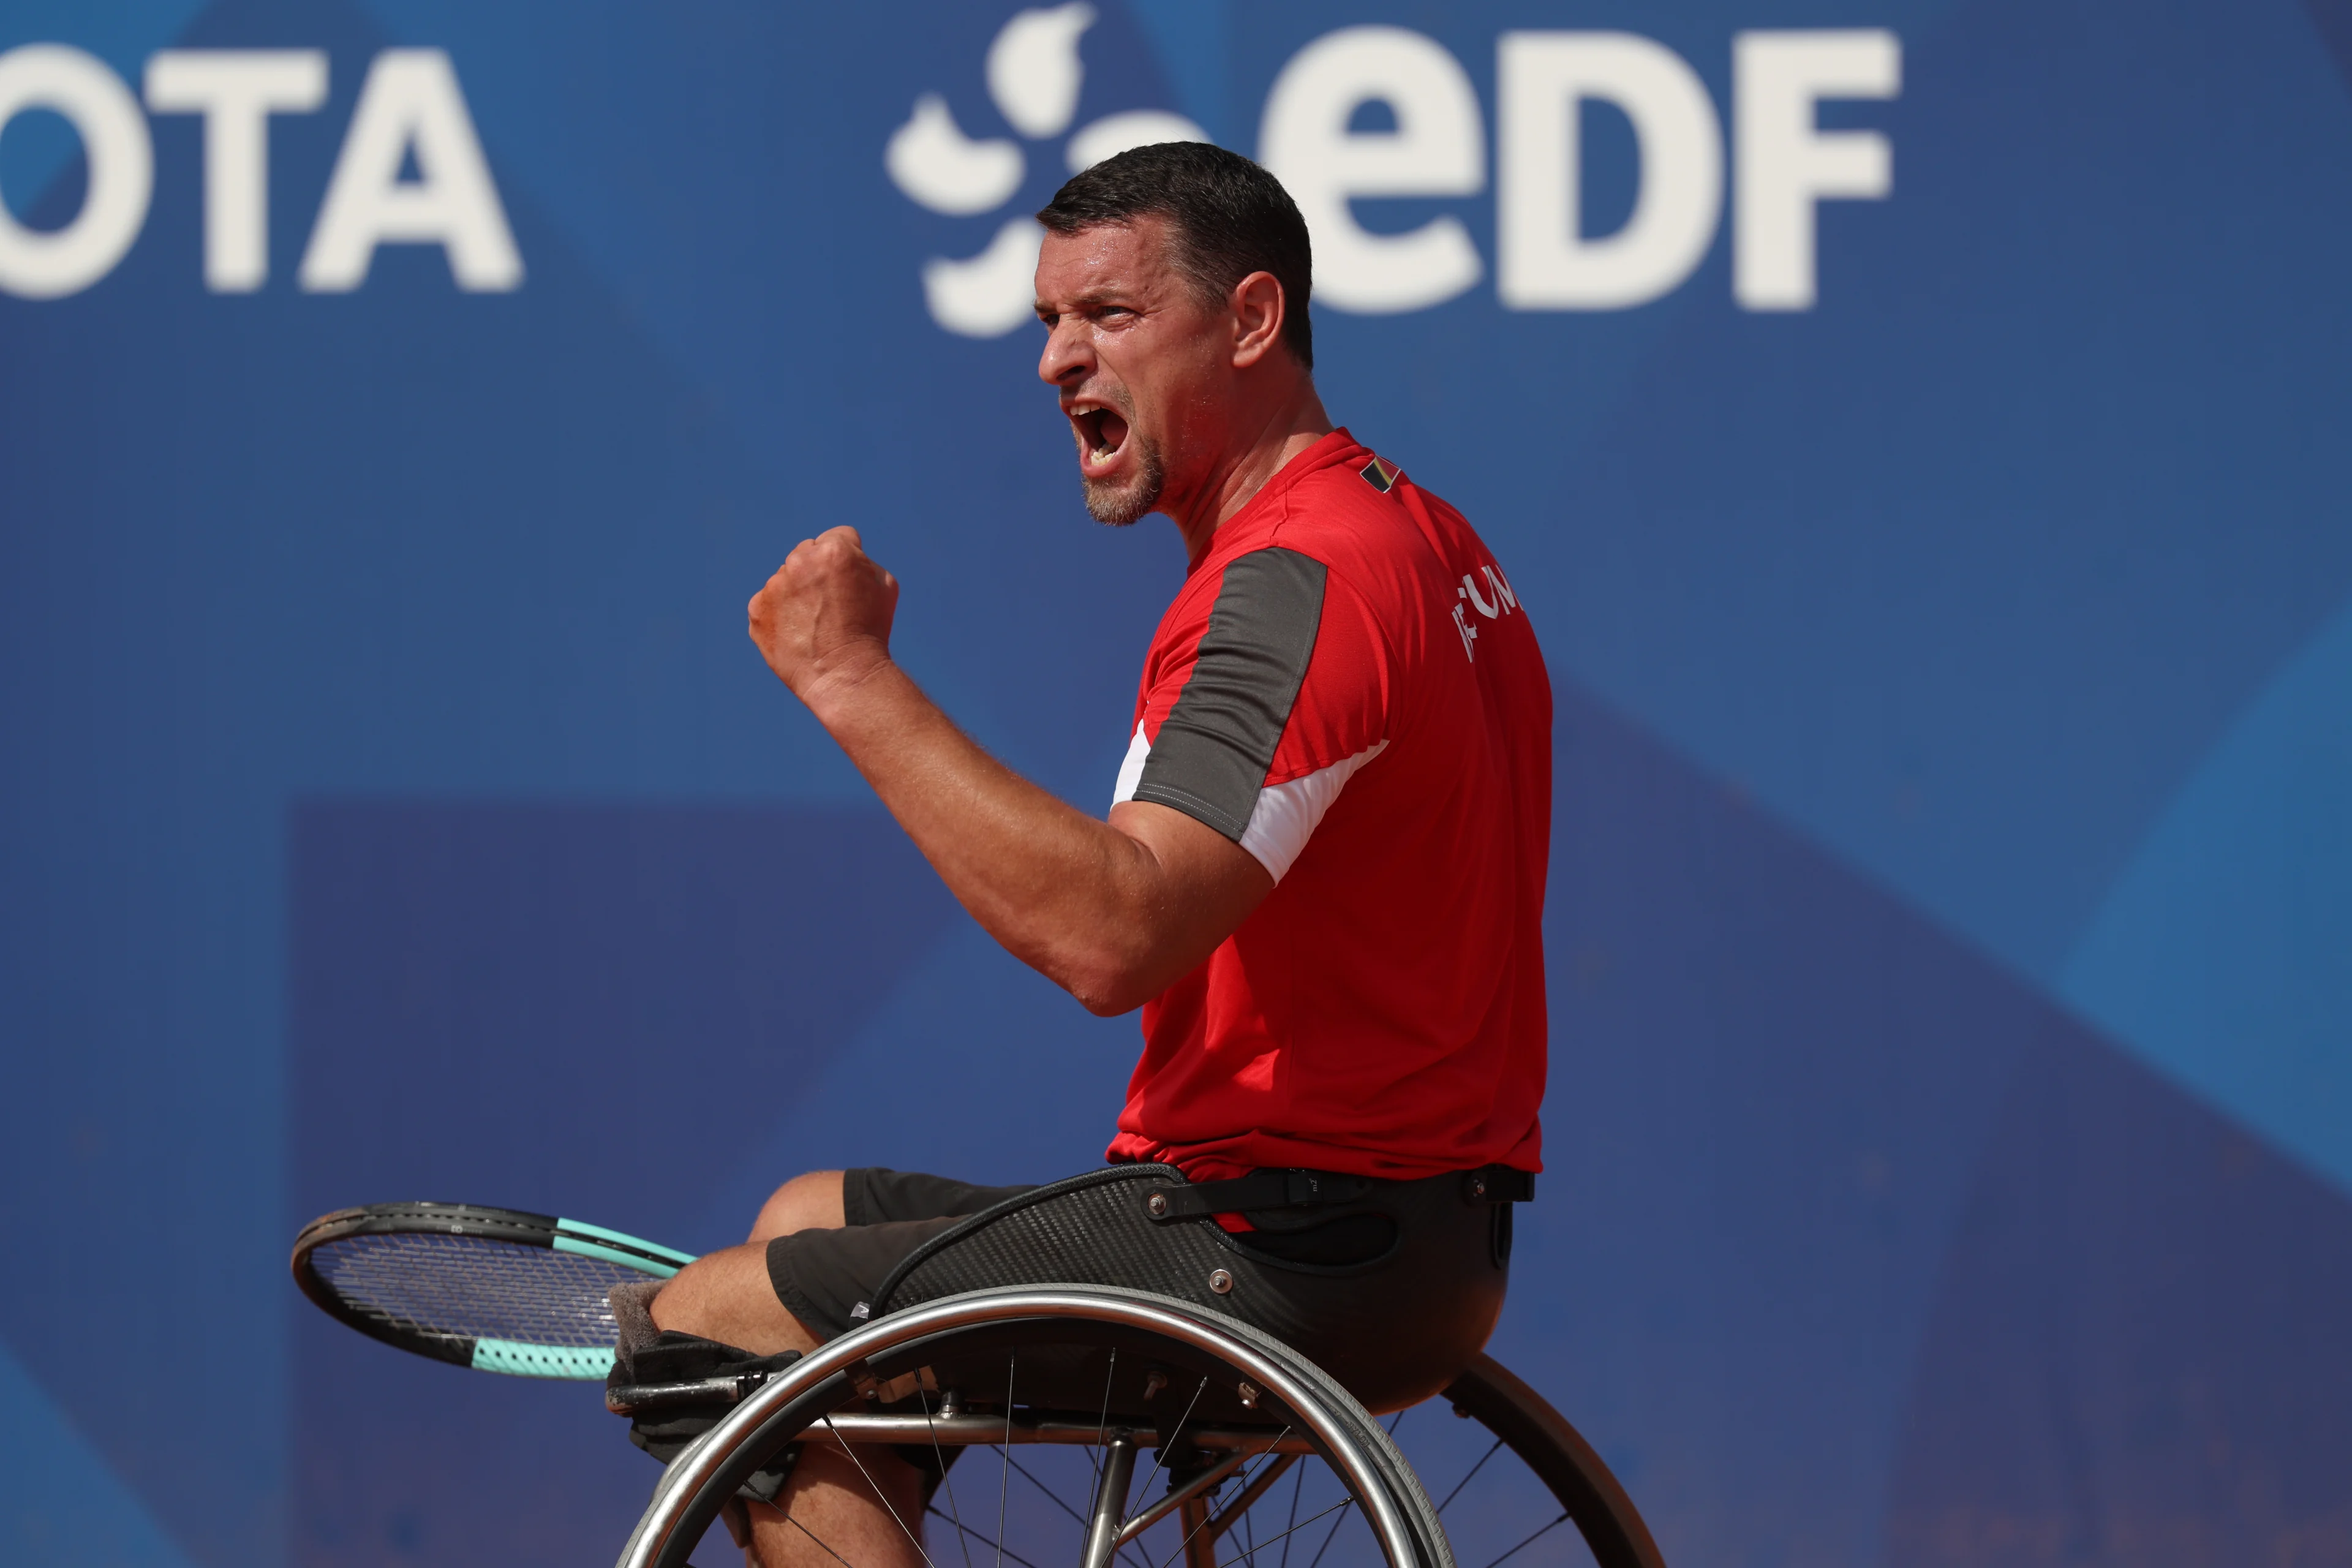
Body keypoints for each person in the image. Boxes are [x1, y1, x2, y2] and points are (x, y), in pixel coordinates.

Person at [638, 141, 1551, 1568]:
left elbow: (1114, 935)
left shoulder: (1299, 579)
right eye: (1050, 323)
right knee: (801, 1220)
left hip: (1291, 1245)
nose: (1061, 359)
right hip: (1398, 1228)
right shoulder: (1417, 534)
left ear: (1251, 319)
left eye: (1109, 316)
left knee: (710, 1319)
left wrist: (851, 682)